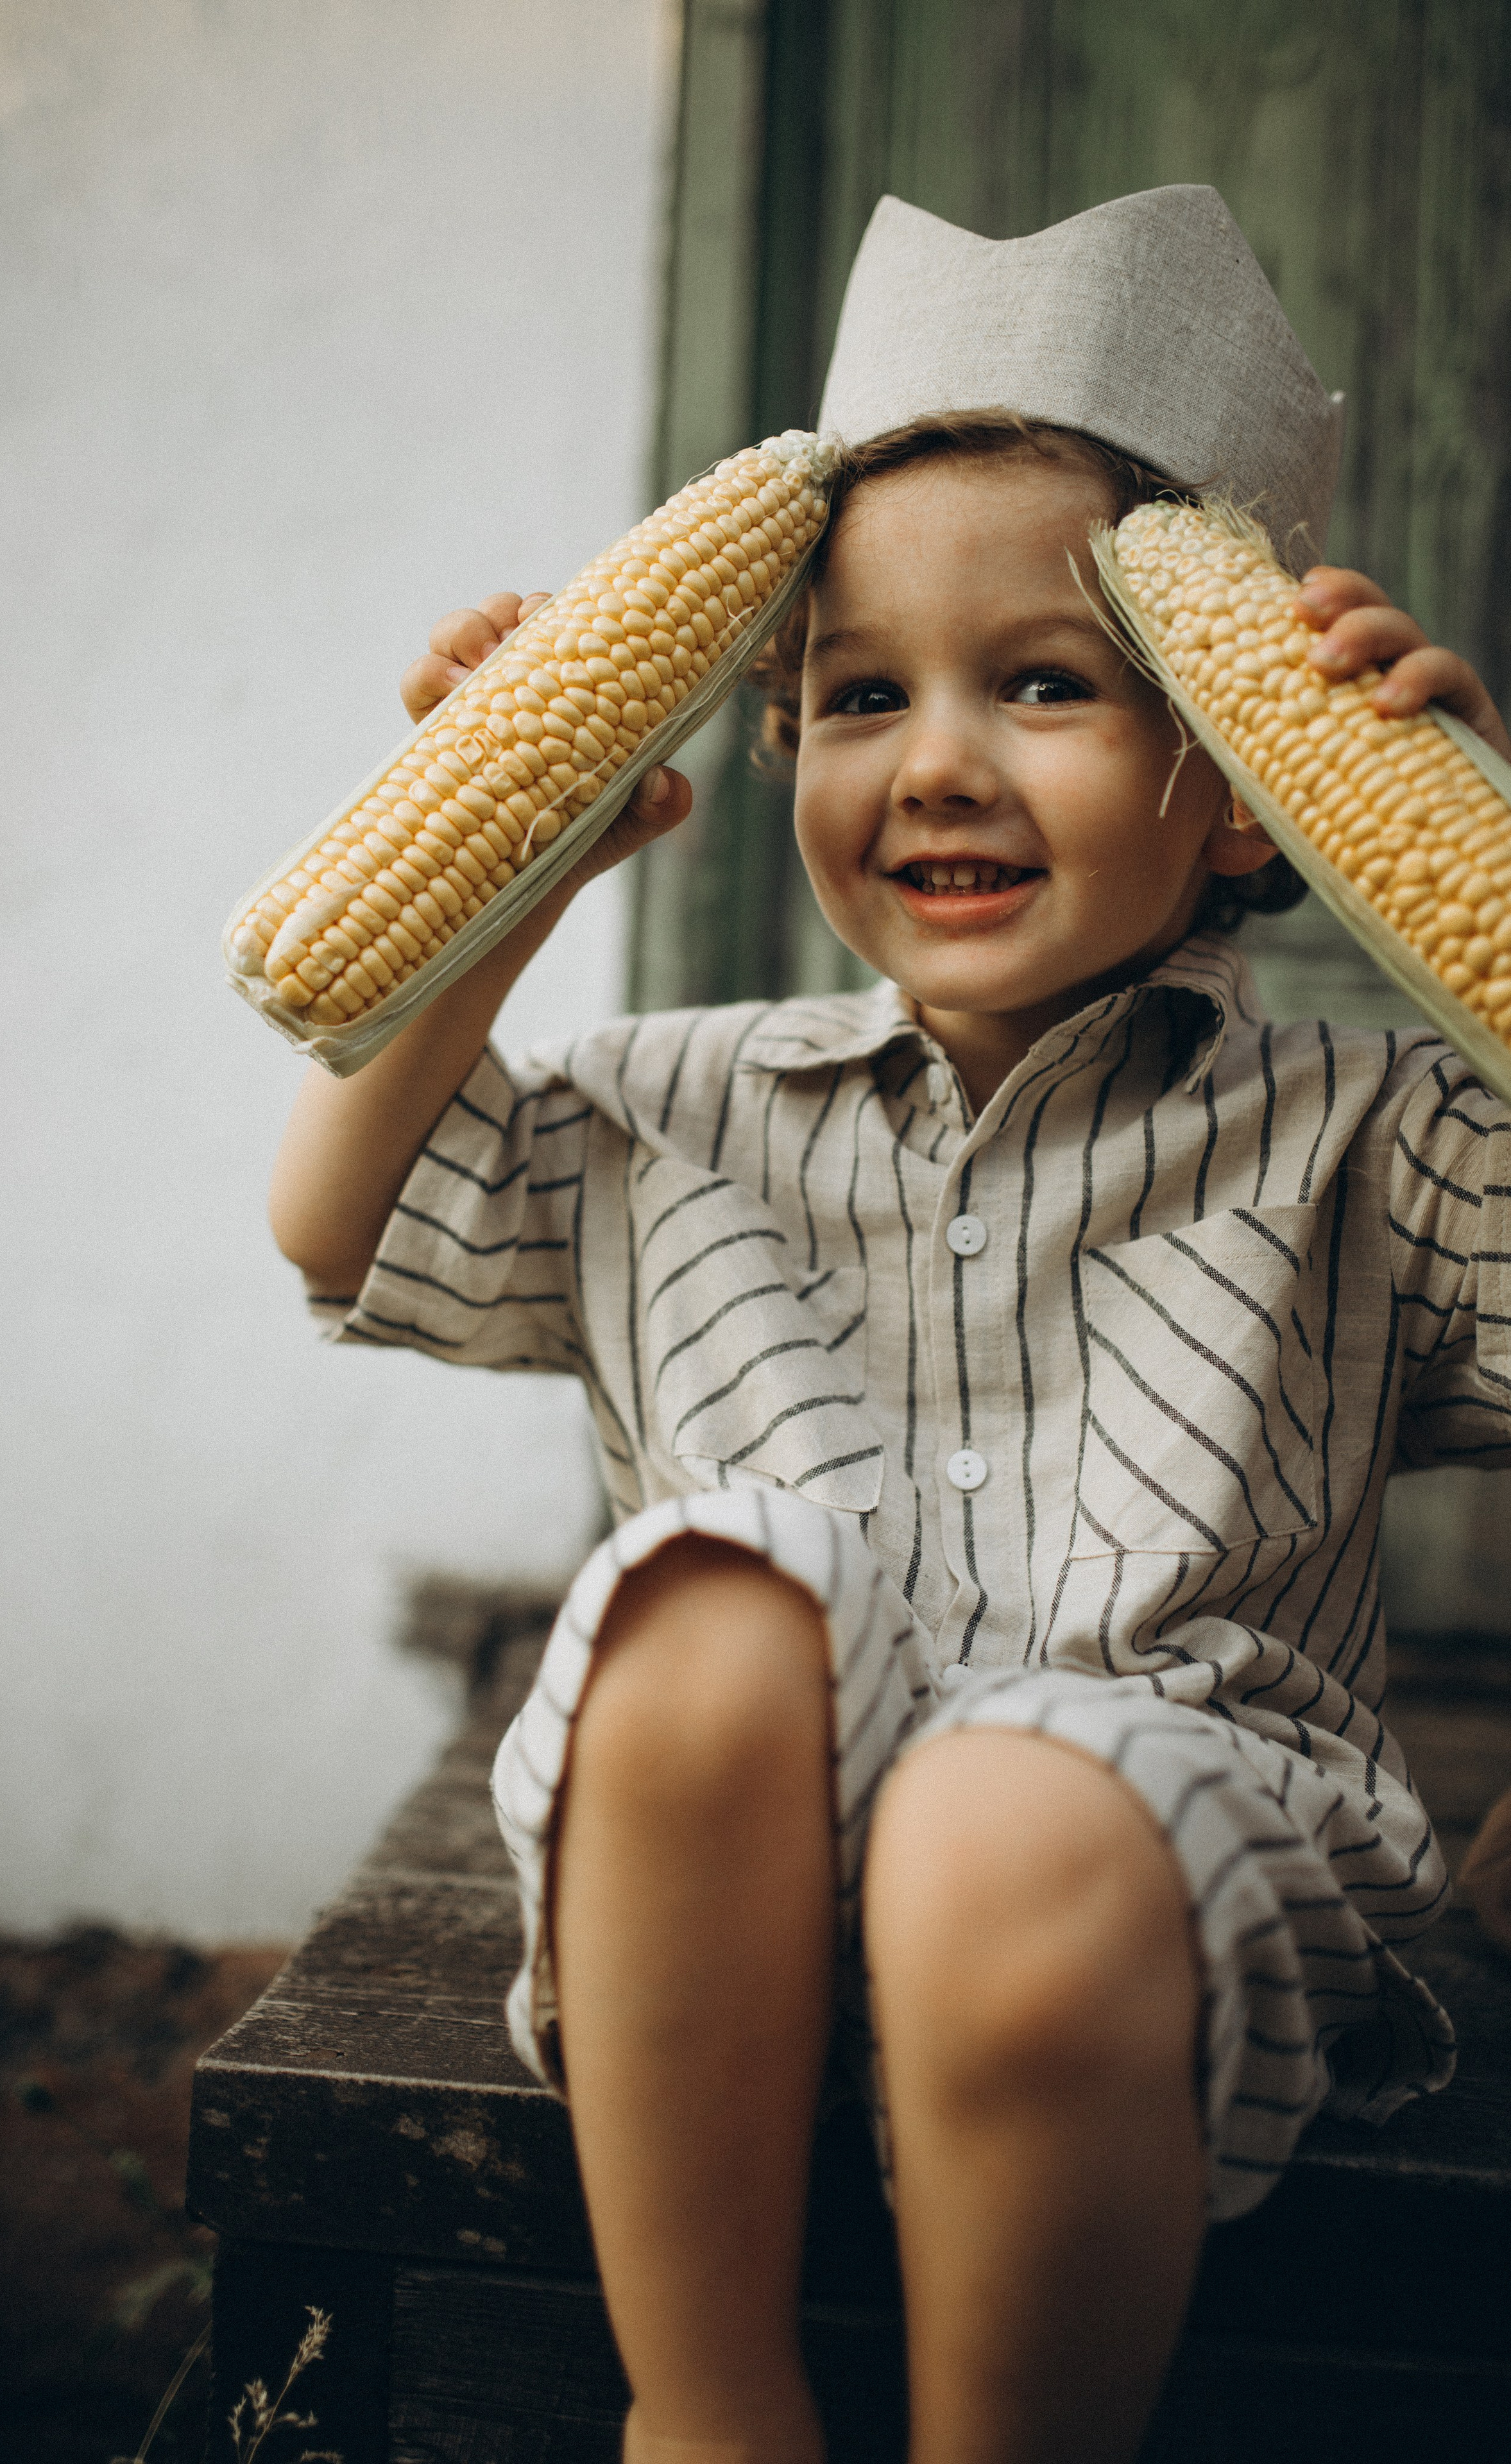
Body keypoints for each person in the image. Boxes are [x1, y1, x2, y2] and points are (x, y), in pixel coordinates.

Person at [268, 188, 1511, 2464]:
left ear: (1234, 794)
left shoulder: (1371, 1127)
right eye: (858, 696)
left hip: (1149, 1906)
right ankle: (710, 2414)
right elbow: (336, 1229)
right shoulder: (673, 1105)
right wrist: (499, 871)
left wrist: (1487, 851)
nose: (935, 759)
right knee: (710, 1613)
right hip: (719, 1924)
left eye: (1044, 684)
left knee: (999, 1827)